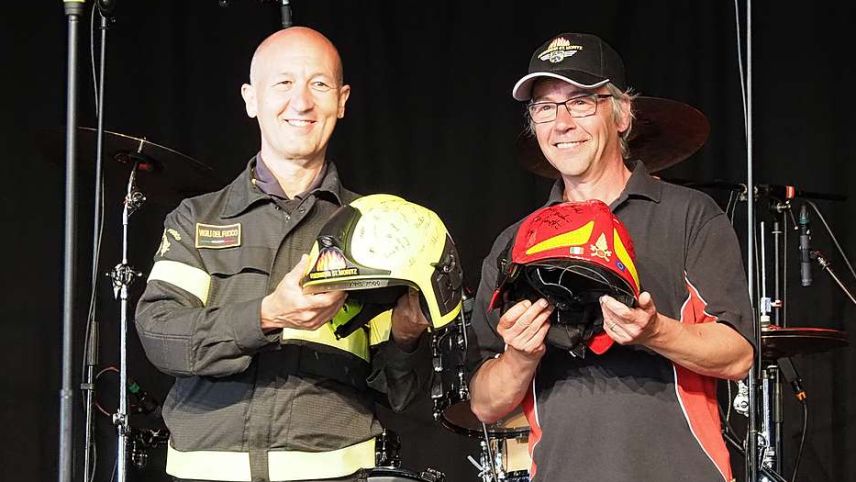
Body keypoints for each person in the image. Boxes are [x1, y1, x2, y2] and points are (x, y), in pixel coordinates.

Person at [135, 27, 432, 482]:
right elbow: (161, 335)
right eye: (283, 83)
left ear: (342, 101)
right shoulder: (196, 219)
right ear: (251, 99)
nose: (301, 102)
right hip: (205, 472)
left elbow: (400, 392)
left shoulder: (376, 227)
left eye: (319, 84)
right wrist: (265, 315)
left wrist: (406, 336)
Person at [468, 32, 755, 482]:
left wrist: (655, 331)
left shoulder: (688, 215)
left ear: (622, 114)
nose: (562, 123)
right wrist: (520, 357)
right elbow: (484, 403)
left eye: (580, 102)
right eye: (545, 107)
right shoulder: (515, 244)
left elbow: (737, 356)